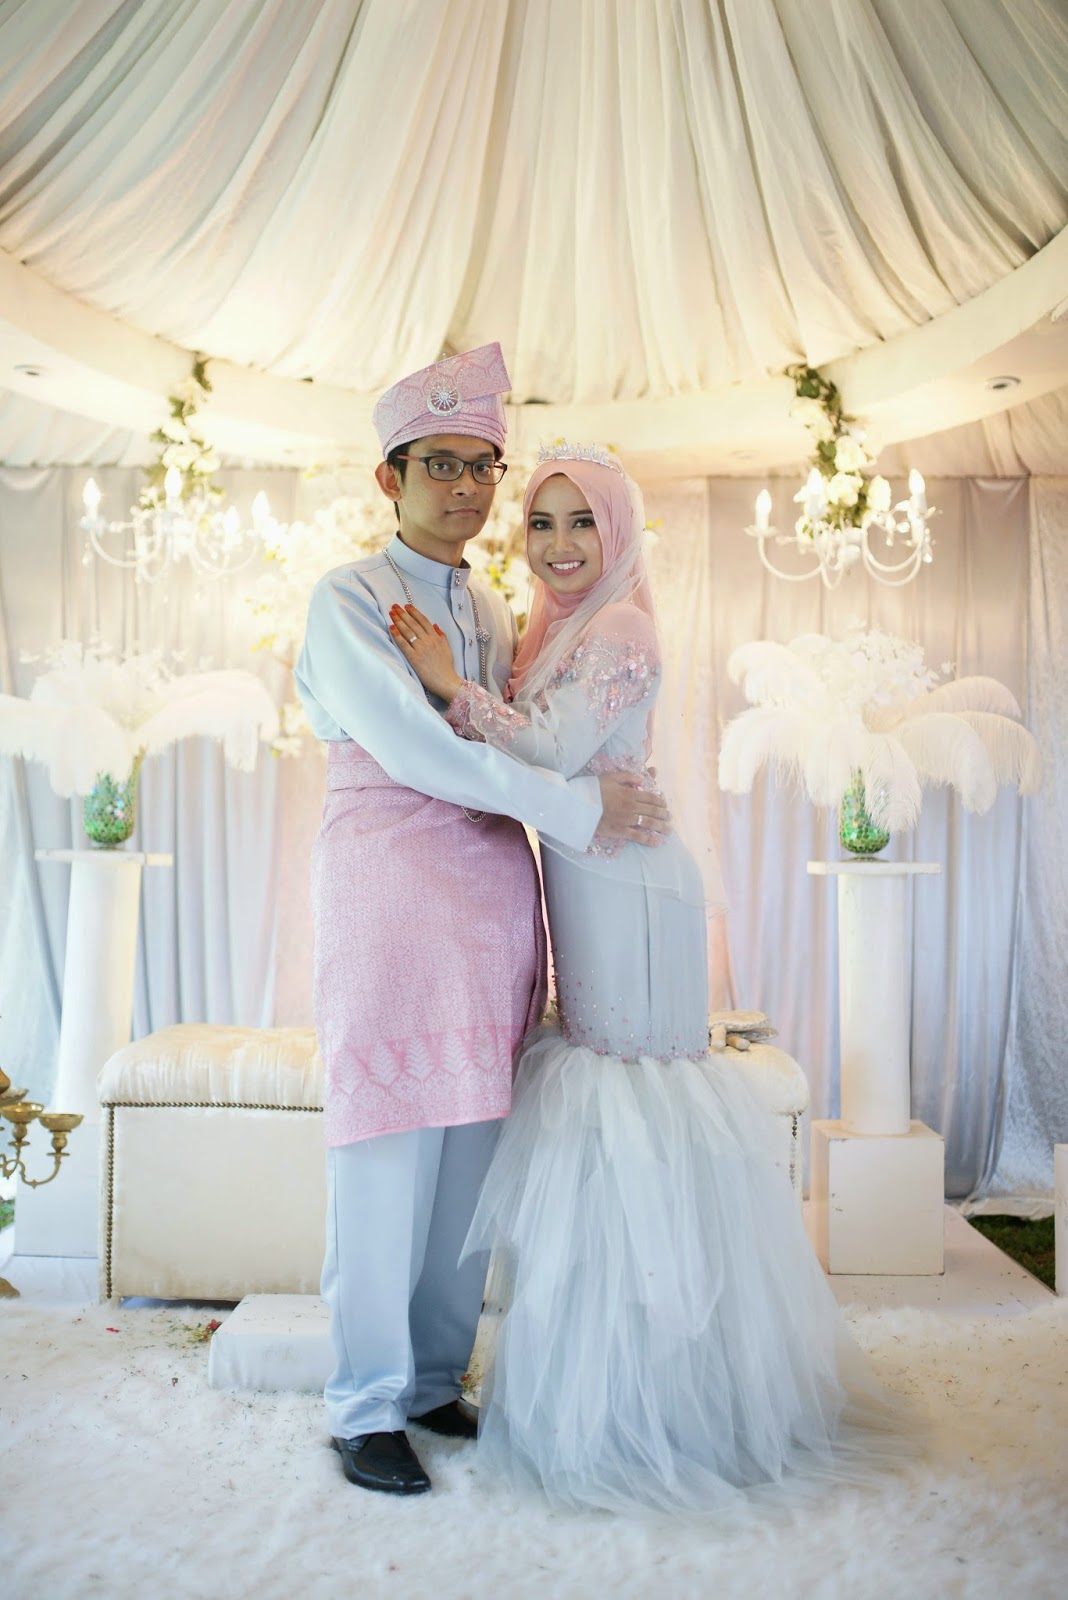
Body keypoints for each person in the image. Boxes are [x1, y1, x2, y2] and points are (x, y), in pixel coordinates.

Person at [392, 444, 910, 1515]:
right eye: (543, 522)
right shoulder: (550, 626)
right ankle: (598, 1394)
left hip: (635, 889)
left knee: (635, 1118)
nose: (561, 544)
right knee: (600, 1123)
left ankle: (674, 1408)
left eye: (583, 521)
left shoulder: (622, 626)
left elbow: (549, 748)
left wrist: (449, 685)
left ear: (619, 530)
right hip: (590, 880)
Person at [294, 352, 668, 1499]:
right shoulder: (350, 599)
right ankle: (363, 1404)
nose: (467, 486)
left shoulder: (496, 608)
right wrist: (580, 811)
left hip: (495, 898)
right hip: (391, 891)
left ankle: (428, 1380)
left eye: (483, 467)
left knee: (470, 1156)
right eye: (442, 464)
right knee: (384, 1154)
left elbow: (516, 731)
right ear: (390, 475)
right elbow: (418, 751)